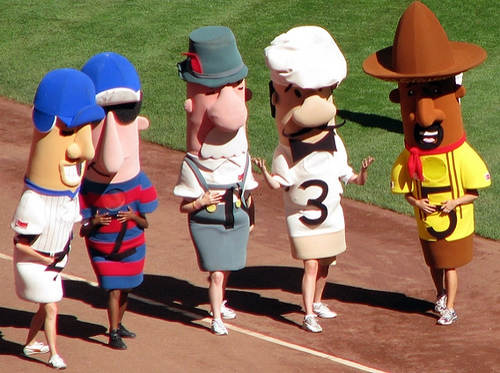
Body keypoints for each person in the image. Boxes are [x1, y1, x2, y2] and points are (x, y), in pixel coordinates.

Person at [363, 1, 491, 325]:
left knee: (450, 264)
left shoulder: (461, 154)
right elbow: (405, 189)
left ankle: (451, 306)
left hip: (453, 218)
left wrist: (453, 203)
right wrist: (416, 201)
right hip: (426, 219)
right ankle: (440, 298)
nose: (423, 114)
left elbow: (475, 190)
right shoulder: (410, 156)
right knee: (434, 261)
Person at [254, 26, 374, 333]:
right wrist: (266, 172)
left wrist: (361, 174)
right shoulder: (285, 152)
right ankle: (307, 312)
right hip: (304, 218)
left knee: (326, 262)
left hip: (332, 215)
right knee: (310, 264)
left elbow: (348, 175)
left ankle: (318, 302)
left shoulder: (334, 143)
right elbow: (279, 184)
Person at [11, 69, 104, 369]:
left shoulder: (69, 197)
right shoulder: (33, 202)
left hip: (54, 262)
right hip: (35, 264)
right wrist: (44, 257)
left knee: (44, 307)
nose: (86, 151)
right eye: (70, 131)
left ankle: (28, 345)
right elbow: (19, 243)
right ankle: (53, 354)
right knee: (52, 308)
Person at [174, 26, 258, 335]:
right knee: (216, 274)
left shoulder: (241, 158)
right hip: (207, 221)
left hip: (234, 216)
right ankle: (216, 317)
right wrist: (201, 201)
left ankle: (219, 304)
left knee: (228, 267)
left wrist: (251, 215)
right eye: (211, 92)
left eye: (236, 86)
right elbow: (184, 206)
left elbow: (248, 189)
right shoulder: (193, 166)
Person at [79, 52, 158, 349]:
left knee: (125, 291)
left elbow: (146, 220)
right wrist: (96, 221)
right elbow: (83, 227)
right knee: (114, 289)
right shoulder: (88, 188)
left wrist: (133, 218)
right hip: (105, 249)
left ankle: (119, 324)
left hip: (132, 245)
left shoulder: (139, 184)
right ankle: (112, 331)